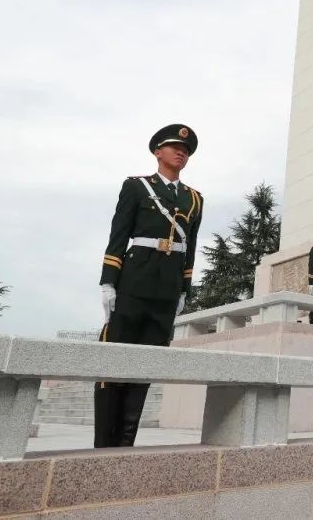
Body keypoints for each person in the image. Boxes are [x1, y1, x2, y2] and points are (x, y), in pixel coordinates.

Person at [94, 124, 204, 448]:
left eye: (185, 150)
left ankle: (125, 445)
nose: (181, 152)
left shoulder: (194, 199)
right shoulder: (137, 187)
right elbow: (118, 235)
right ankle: (104, 444)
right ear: (158, 151)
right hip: (133, 284)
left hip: (166, 292)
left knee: (144, 368)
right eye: (174, 147)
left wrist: (185, 290)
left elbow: (191, 248)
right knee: (114, 364)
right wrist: (108, 282)